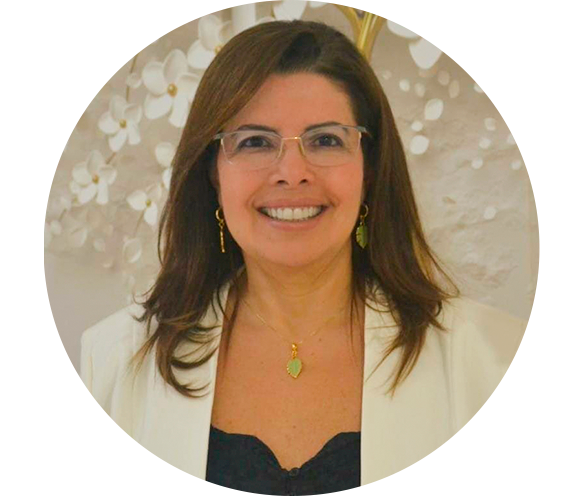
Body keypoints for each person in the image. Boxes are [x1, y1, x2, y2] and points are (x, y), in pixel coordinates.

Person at [80, 20, 526, 496]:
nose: (292, 173)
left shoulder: (485, 362)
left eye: (326, 140)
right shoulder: (111, 362)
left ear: (369, 170)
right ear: (213, 173)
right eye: (255, 141)